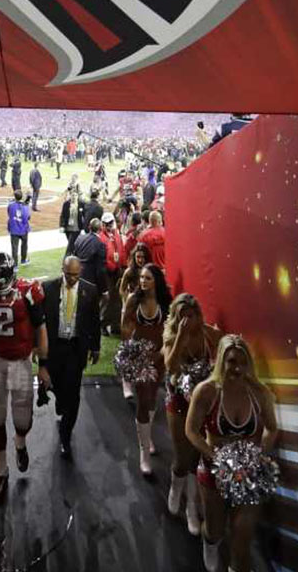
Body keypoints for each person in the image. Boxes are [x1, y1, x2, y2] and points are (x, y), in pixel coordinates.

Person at [186, 335, 278, 572]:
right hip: (213, 473)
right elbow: (192, 431)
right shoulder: (206, 391)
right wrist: (215, 456)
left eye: (242, 362)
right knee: (215, 529)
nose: (237, 368)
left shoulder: (260, 393)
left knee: (242, 537)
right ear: (221, 362)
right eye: (231, 362)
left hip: (248, 475)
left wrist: (259, 454)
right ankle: (210, 543)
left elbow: (271, 428)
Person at [0, 253, 50, 505]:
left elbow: (41, 328)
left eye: (3, 282)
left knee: (22, 419)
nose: (0, 288)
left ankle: (20, 441)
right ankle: (1, 470)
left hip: (21, 362)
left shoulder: (28, 290)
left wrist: (43, 365)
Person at [162, 294, 223, 536]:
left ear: (198, 314)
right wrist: (180, 338)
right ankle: (175, 487)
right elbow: (170, 365)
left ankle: (191, 508)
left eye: (192, 314)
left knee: (197, 456)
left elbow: (226, 342)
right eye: (182, 316)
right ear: (176, 318)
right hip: (178, 401)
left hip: (203, 405)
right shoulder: (171, 337)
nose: (188, 320)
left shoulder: (207, 334)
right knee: (182, 458)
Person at [40, 256, 100, 459]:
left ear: (80, 271)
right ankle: (60, 402)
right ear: (62, 270)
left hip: (76, 348)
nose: (73, 279)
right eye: (69, 275)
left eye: (76, 275)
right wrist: (37, 347)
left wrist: (95, 346)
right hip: (55, 348)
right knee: (57, 385)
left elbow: (94, 320)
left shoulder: (90, 291)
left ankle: (65, 436)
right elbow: (39, 321)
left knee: (73, 394)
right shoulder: (48, 288)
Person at [121, 264, 171, 476]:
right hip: (140, 358)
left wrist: (162, 353)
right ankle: (144, 454)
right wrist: (133, 351)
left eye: (148, 278)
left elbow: (171, 329)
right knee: (144, 401)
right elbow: (125, 328)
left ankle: (147, 436)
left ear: (156, 280)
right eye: (141, 277)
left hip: (159, 358)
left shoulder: (166, 302)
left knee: (152, 399)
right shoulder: (134, 299)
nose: (143, 281)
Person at [100, 212, 124, 335]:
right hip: (107, 272)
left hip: (117, 270)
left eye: (111, 223)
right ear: (103, 224)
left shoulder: (116, 234)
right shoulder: (101, 237)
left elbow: (120, 249)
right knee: (108, 299)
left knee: (117, 299)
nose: (110, 226)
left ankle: (115, 325)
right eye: (107, 224)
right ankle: (103, 324)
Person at [59, 185, 86, 256]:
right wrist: (61, 226)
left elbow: (85, 216)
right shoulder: (66, 204)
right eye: (72, 195)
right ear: (70, 195)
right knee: (72, 245)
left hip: (77, 228)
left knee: (70, 246)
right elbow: (63, 216)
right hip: (68, 228)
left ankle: (66, 261)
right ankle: (76, 257)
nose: (74, 196)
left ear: (77, 195)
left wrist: (84, 227)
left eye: (75, 195)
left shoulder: (82, 204)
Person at [7, 189, 31, 265]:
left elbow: (9, 213)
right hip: (24, 229)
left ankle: (15, 265)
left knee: (14, 248)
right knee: (24, 245)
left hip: (14, 229)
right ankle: (23, 260)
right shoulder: (25, 206)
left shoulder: (10, 205)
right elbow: (28, 217)